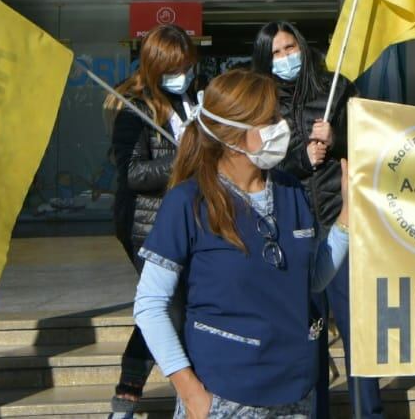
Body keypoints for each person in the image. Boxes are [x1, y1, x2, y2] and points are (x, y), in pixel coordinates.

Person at [132, 69, 350, 419]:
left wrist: (347, 217)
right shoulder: (189, 202)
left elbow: (312, 280)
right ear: (233, 132)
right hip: (223, 396)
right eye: (271, 119)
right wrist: (192, 394)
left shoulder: (291, 191)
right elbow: (149, 305)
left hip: (295, 391)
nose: (283, 127)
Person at [250, 22, 382, 419]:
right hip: (291, 231)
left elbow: (373, 143)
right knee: (309, 337)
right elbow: (255, 163)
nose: (286, 57)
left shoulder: (336, 88)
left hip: (340, 222)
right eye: (275, 52)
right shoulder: (258, 101)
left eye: (290, 47)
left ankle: (368, 413)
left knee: (357, 331)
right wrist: (301, 160)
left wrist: (337, 137)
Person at [107, 24, 198, 418]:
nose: (184, 74)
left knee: (177, 308)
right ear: (156, 67)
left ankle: (131, 394)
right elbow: (133, 174)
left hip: (196, 220)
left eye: (188, 65)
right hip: (148, 225)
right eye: (174, 67)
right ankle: (131, 397)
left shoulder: (200, 97)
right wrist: (182, 157)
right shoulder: (134, 107)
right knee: (167, 308)